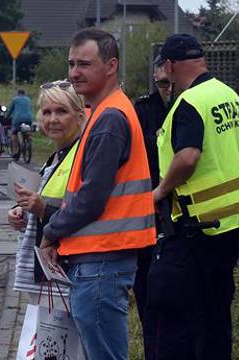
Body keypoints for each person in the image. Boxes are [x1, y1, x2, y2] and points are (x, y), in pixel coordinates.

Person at [37, 28, 156, 360]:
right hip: (100, 256)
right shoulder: (102, 112)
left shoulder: (109, 119)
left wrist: (52, 231)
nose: (75, 72)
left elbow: (92, 198)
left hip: (102, 258)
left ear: (111, 66)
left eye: (85, 64)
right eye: (72, 63)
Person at [148, 33, 239, 360]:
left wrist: (160, 191)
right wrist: (232, 185)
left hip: (197, 229)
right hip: (234, 224)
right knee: (217, 315)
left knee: (178, 316)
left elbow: (187, 157)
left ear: (171, 66)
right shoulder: (228, 95)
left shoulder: (190, 103)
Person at [10, 80, 84, 298]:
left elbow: (85, 212)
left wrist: (42, 209)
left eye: (62, 111)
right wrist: (20, 211)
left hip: (66, 273)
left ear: (80, 116)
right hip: (48, 275)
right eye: (47, 112)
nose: (53, 119)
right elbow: (49, 199)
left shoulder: (81, 155)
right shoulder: (55, 157)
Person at [131, 61, 173, 358]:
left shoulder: (190, 106)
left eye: (171, 84)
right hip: (148, 208)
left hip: (182, 212)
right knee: (147, 289)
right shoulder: (143, 109)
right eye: (162, 84)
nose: (167, 91)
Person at [7, 89, 33, 160]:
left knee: (14, 133)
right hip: (28, 119)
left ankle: (16, 151)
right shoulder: (28, 99)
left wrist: (7, 116)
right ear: (24, 93)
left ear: (17, 93)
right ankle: (28, 138)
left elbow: (10, 110)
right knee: (27, 131)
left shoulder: (15, 99)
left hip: (18, 119)